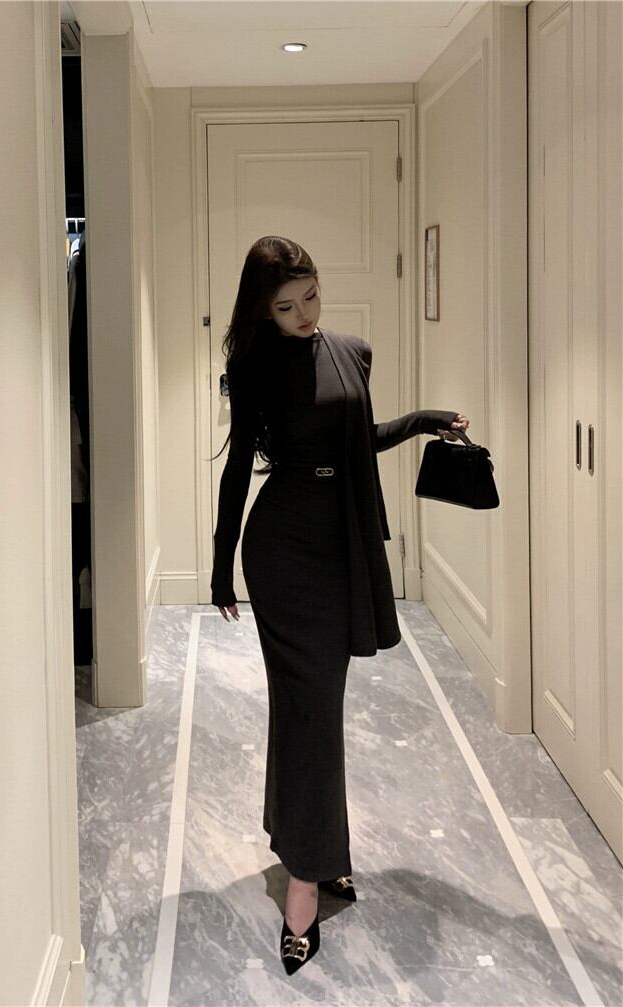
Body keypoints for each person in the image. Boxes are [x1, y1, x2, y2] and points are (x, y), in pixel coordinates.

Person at [209, 235, 469, 974]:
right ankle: (305, 878)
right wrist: (222, 563)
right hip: (282, 553)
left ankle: (315, 848)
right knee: (309, 710)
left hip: (341, 548)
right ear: (263, 310)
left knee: (314, 711)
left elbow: (357, 440)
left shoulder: (353, 352)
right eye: (285, 306)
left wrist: (421, 421)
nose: (304, 314)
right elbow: (237, 469)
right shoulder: (255, 367)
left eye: (311, 296)